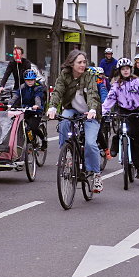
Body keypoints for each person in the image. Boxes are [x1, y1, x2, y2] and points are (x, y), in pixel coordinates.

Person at [47, 49, 103, 192]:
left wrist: (92, 110)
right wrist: (52, 107)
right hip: (72, 109)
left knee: (90, 143)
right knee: (64, 121)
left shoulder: (89, 76)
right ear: (71, 63)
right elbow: (58, 91)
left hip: (89, 112)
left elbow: (92, 94)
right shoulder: (64, 75)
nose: (83, 65)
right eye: (79, 62)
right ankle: (67, 154)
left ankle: (96, 174)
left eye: (84, 62)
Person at [103, 58, 139, 179]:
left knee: (138, 141)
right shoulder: (116, 85)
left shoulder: (137, 82)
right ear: (119, 71)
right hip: (123, 111)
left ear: (131, 69)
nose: (125, 71)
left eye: (127, 69)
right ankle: (115, 142)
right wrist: (102, 112)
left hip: (137, 112)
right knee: (123, 130)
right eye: (123, 69)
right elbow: (110, 99)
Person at [9, 69, 47, 151]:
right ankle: (28, 143)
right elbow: (16, 96)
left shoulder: (38, 88)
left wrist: (37, 105)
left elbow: (38, 97)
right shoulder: (22, 87)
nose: (30, 82)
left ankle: (43, 139)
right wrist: (9, 105)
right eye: (28, 80)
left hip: (36, 111)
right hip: (25, 109)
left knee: (33, 127)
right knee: (22, 127)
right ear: (25, 80)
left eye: (32, 80)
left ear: (34, 80)